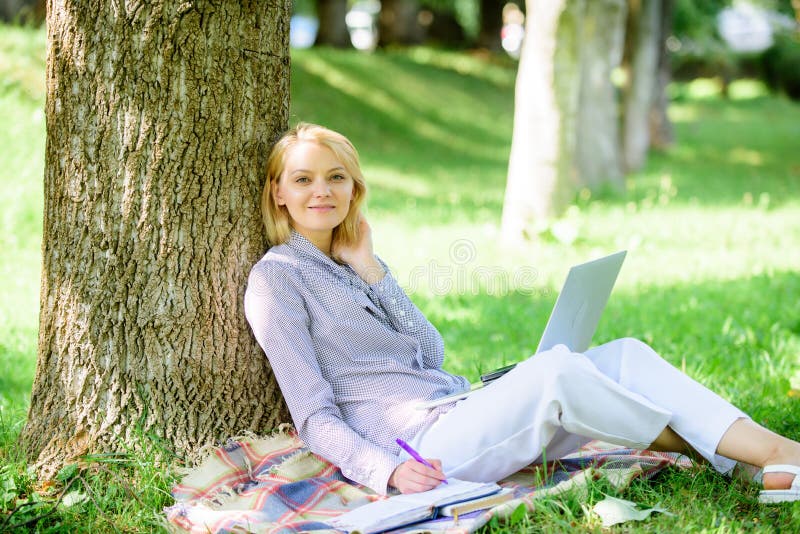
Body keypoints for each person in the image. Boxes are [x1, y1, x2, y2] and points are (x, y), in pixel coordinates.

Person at [244, 122, 800, 503]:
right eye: (304, 179)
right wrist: (384, 471)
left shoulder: (355, 262)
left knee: (623, 356)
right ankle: (773, 456)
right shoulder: (277, 279)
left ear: (354, 187)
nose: (323, 190)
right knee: (558, 371)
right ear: (278, 194)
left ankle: (766, 463)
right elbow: (312, 414)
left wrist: (372, 271)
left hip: (460, 408)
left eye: (336, 176)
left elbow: (431, 353)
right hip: (422, 449)